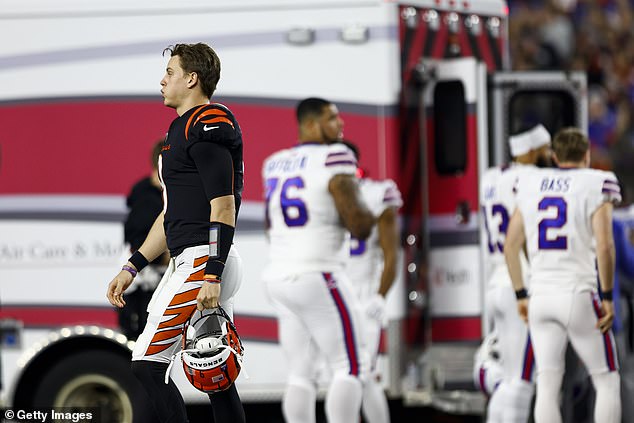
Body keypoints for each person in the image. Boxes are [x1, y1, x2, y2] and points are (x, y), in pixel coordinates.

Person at [106, 42, 245, 423]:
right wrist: (132, 266)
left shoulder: (208, 122)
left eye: (170, 72)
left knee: (147, 363)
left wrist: (212, 273)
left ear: (191, 78)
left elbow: (224, 206)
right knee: (215, 372)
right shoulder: (180, 129)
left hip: (204, 259)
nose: (162, 80)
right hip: (195, 257)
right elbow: (171, 216)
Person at [262, 98, 375, 423]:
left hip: (279, 276)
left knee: (300, 372)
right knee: (351, 366)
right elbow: (360, 224)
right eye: (332, 118)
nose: (341, 125)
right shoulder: (336, 156)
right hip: (317, 273)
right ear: (311, 124)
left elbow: (272, 226)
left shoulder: (275, 162)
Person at [504, 127, 622, 423]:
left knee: (547, 384)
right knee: (607, 380)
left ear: (554, 157)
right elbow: (605, 246)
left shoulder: (531, 182)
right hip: (576, 293)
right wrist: (607, 296)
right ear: (587, 154)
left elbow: (511, 245)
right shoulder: (597, 182)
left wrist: (521, 293)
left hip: (540, 296)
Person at [479, 124, 551, 423]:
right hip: (520, 283)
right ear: (533, 148)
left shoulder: (490, 177)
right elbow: (522, 238)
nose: (550, 155)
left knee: (508, 381)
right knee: (521, 382)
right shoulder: (533, 178)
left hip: (496, 280)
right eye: (546, 148)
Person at [341, 140, 402, 423]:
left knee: (363, 376)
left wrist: (380, 295)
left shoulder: (377, 193)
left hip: (362, 293)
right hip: (334, 291)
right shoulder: (323, 194)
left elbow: (392, 253)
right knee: (346, 377)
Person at [118, 139, 169, 341]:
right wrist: (166, 257)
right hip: (142, 289)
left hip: (147, 282)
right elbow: (137, 242)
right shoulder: (147, 198)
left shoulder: (157, 194)